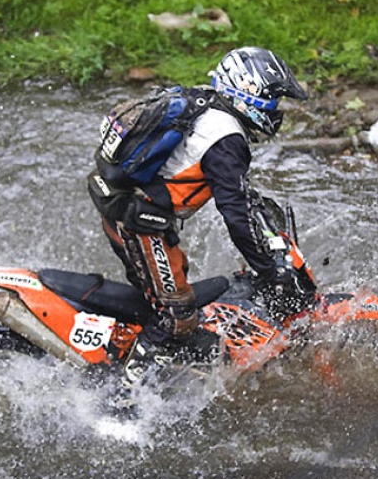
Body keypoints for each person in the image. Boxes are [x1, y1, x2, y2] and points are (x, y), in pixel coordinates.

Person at [88, 46, 309, 386]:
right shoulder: (227, 138)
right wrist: (270, 269)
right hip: (140, 221)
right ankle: (123, 396)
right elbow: (235, 214)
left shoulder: (208, 106)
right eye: (274, 98)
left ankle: (130, 348)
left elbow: (241, 196)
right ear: (251, 92)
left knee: (163, 294)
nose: (277, 108)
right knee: (176, 314)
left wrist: (265, 228)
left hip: (128, 206)